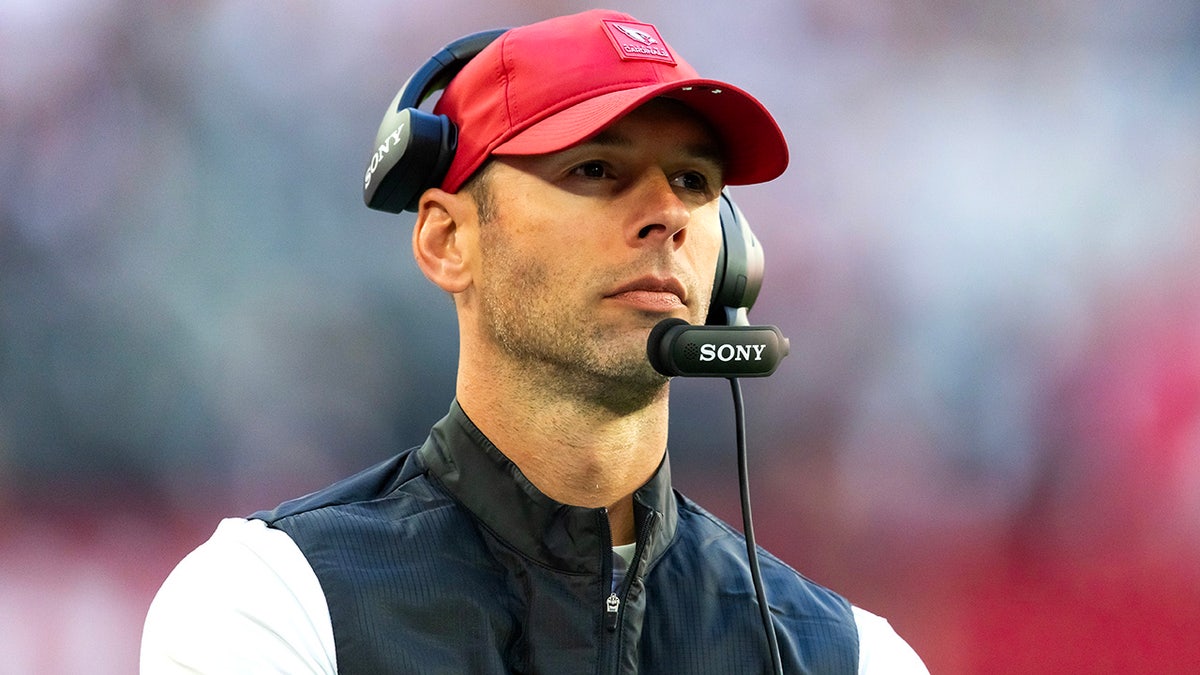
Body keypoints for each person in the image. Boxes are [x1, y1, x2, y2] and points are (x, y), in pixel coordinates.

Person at [141, 9, 928, 674]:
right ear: (448, 239)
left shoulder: (852, 654)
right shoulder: (272, 598)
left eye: (693, 180)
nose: (668, 214)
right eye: (596, 169)